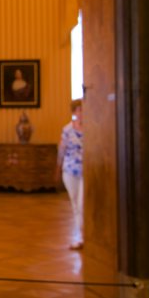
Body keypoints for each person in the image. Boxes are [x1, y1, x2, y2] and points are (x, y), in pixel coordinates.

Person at [57, 99, 84, 250]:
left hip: (87, 171)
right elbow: (62, 150)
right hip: (69, 171)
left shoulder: (93, 128)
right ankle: (80, 237)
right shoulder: (67, 129)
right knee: (75, 205)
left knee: (81, 204)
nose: (82, 113)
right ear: (74, 112)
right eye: (79, 110)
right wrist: (58, 167)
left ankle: (84, 237)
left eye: (84, 110)